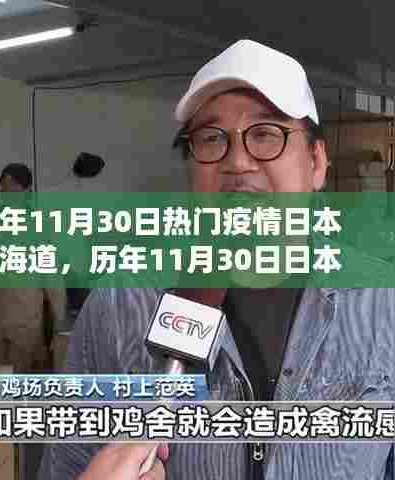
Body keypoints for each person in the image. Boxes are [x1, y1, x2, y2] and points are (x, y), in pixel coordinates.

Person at [41, 40, 394, 479]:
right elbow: (66, 466)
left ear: (316, 162)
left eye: (266, 134)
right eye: (211, 139)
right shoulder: (121, 303)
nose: (238, 162)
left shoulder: (382, 300)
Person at [0, 163, 67, 373]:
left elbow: (52, 277)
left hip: (26, 315)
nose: (6, 192)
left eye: (12, 187)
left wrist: (59, 319)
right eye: (4, 186)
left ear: (26, 191)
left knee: (18, 376)